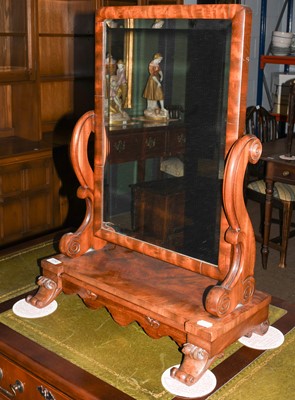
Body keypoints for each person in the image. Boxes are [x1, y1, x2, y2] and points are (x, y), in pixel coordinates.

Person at [143, 53, 168, 120]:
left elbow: (159, 70)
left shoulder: (157, 64)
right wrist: (158, 82)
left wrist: (161, 75)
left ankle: (162, 108)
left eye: (160, 60)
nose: (160, 61)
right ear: (156, 58)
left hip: (156, 79)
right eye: (159, 60)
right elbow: (152, 75)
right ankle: (150, 107)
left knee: (160, 94)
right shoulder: (151, 65)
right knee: (151, 94)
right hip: (152, 81)